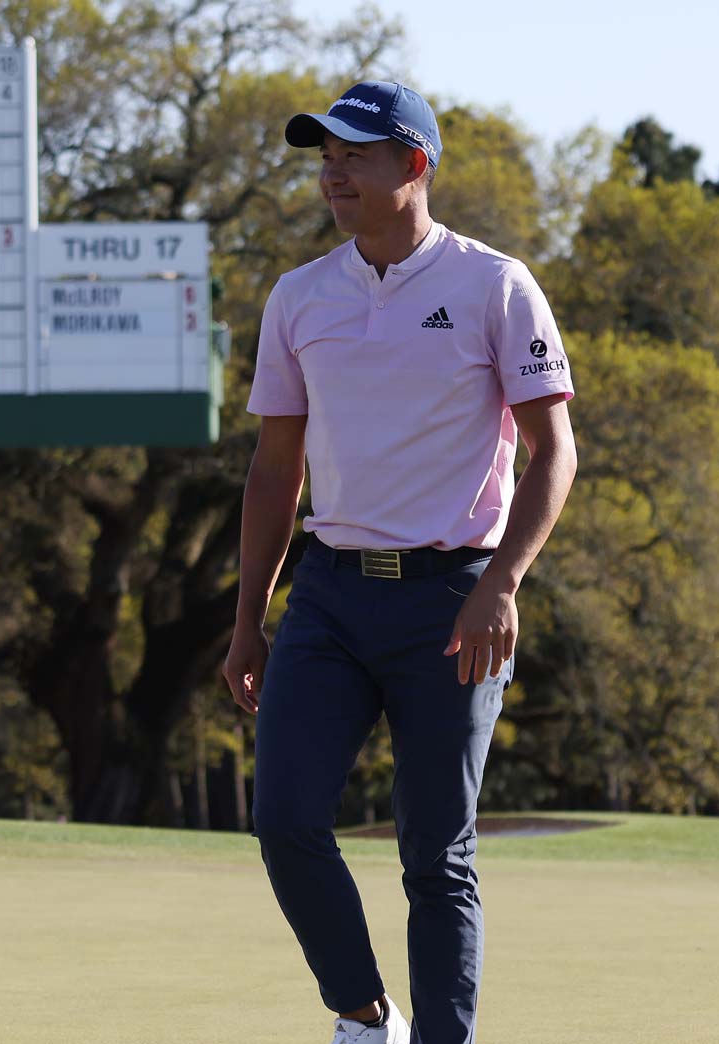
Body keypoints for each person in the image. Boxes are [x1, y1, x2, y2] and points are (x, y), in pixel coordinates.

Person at [220, 82, 577, 1044]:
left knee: (436, 853)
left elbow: (556, 454)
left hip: (455, 597)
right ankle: (363, 1016)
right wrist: (251, 615)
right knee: (286, 822)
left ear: (413, 165)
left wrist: (501, 583)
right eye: (324, 155)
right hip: (331, 595)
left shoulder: (495, 285)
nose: (332, 170)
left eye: (355, 154)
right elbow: (274, 469)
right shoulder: (300, 296)